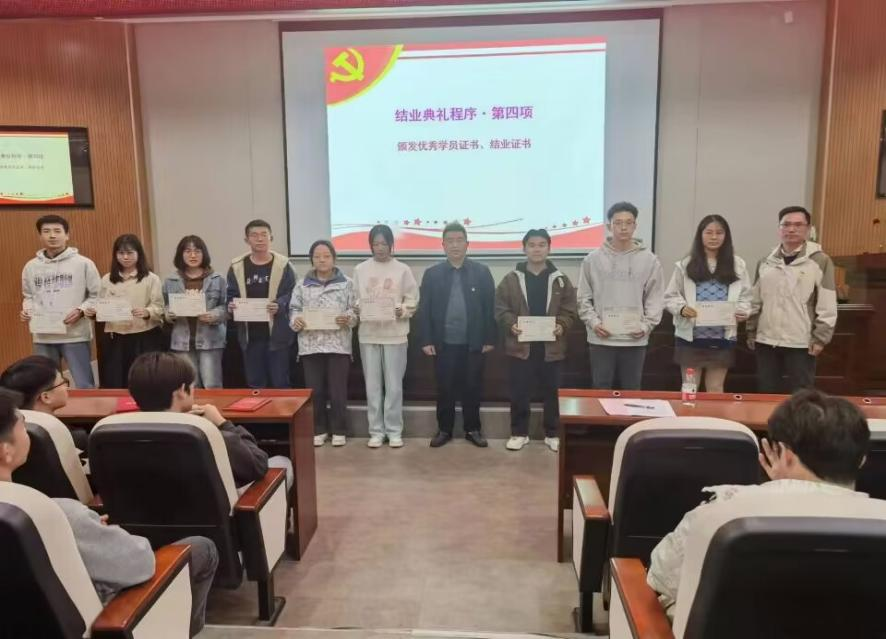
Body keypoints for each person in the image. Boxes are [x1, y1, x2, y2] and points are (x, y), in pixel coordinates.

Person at [0, 388, 218, 637]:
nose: (26, 429)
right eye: (22, 423)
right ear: (6, 451)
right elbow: (140, 563)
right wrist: (100, 533)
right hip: (106, 623)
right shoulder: (56, 514)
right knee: (201, 548)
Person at [646, 389, 871, 617]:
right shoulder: (878, 520)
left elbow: (660, 578)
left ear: (785, 454)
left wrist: (778, 487)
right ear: (861, 460)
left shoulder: (725, 510)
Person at [128, 351, 292, 489]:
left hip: (140, 516)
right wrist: (223, 423)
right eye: (192, 385)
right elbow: (258, 465)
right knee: (283, 462)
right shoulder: (208, 435)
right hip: (212, 515)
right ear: (181, 391)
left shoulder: (122, 433)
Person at [495, 229, 577, 452]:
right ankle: (519, 433)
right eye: (532, 245)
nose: (537, 249)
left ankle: (552, 433)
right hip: (521, 347)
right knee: (519, 391)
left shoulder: (561, 280)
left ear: (549, 248)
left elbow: (570, 310)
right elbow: (501, 308)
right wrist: (511, 324)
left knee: (552, 392)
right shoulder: (511, 279)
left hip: (552, 347)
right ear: (524, 249)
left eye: (542, 245)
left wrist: (562, 325)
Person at [417, 222, 496, 448]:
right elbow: (425, 310)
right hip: (443, 343)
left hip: (474, 343)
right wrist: (426, 339)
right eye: (450, 241)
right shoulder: (432, 274)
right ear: (443, 245)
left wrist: (490, 338)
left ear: (467, 244)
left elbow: (490, 308)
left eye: (459, 240)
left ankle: (473, 429)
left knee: (473, 387)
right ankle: (445, 429)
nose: (455, 245)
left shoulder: (482, 272)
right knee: (445, 388)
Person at [747, 206, 837, 393]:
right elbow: (755, 301)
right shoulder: (766, 262)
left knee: (802, 395)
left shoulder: (820, 261)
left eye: (798, 225)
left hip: (801, 342)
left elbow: (827, 304)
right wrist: (751, 330)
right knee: (766, 392)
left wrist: (820, 338)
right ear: (779, 228)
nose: (791, 229)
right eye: (786, 225)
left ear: (808, 228)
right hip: (766, 339)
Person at [577, 202, 664, 390]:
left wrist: (646, 326)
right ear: (609, 226)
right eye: (618, 223)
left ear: (635, 226)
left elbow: (655, 298)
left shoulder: (649, 260)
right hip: (601, 338)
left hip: (635, 338)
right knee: (601, 388)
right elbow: (583, 297)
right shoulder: (592, 259)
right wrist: (594, 323)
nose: (623, 227)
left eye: (628, 222)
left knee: (632, 390)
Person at [663, 215, 752, 393]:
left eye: (719, 233)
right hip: (690, 337)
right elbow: (670, 296)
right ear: (700, 235)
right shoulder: (685, 264)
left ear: (726, 236)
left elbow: (746, 297)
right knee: (690, 388)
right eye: (709, 232)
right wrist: (682, 308)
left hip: (722, 337)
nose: (714, 237)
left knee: (716, 388)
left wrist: (743, 311)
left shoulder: (738, 264)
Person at [352, 225, 419, 449]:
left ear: (391, 244)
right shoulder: (360, 269)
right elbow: (354, 298)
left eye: (384, 243)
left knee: (394, 385)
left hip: (395, 333)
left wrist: (403, 310)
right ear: (370, 245)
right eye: (376, 244)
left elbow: (412, 299)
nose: (380, 248)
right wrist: (359, 307)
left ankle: (394, 431)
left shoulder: (402, 269)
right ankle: (376, 432)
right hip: (369, 334)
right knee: (372, 386)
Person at [20, 214, 100, 389]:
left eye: (57, 231)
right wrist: (27, 310)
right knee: (46, 386)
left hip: (75, 335)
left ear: (67, 235)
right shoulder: (31, 267)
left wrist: (81, 311)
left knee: (84, 385)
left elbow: (97, 296)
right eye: (46, 231)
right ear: (40, 236)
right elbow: (29, 296)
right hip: (43, 335)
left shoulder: (83, 264)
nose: (52, 235)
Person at [290, 240, 357, 447]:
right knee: (315, 391)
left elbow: (355, 310)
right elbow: (294, 309)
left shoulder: (347, 283)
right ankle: (318, 429)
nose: (322, 260)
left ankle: (339, 430)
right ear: (311, 259)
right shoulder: (301, 284)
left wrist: (348, 318)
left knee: (338, 391)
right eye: (317, 256)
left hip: (338, 345)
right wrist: (296, 320)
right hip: (310, 346)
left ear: (334, 258)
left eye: (326, 256)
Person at [84, 234, 164, 388]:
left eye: (130, 253)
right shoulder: (107, 279)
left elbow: (159, 308)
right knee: (116, 379)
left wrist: (147, 312)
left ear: (139, 254)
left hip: (143, 336)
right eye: (121, 253)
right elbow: (101, 305)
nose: (125, 257)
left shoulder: (151, 278)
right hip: (116, 338)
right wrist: (93, 313)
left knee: (144, 378)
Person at [226, 220, 296, 389]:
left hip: (278, 334)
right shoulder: (237, 266)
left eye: (264, 235)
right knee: (255, 384)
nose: (259, 239)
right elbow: (231, 294)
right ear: (246, 240)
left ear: (271, 237)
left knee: (280, 383)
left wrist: (280, 304)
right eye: (254, 235)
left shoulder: (284, 264)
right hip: (250, 336)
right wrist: (230, 305)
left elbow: (293, 293)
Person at [163, 235, 227, 388]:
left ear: (204, 254)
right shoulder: (170, 280)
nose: (193, 255)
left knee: (212, 384)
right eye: (188, 251)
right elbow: (163, 306)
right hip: (182, 340)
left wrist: (214, 315)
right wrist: (168, 313)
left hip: (210, 340)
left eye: (197, 251)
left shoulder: (217, 279)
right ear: (181, 254)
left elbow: (227, 307)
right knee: (189, 385)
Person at [0, 355, 88, 455]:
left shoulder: (9, 434)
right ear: (46, 397)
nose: (66, 387)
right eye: (62, 382)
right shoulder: (68, 438)